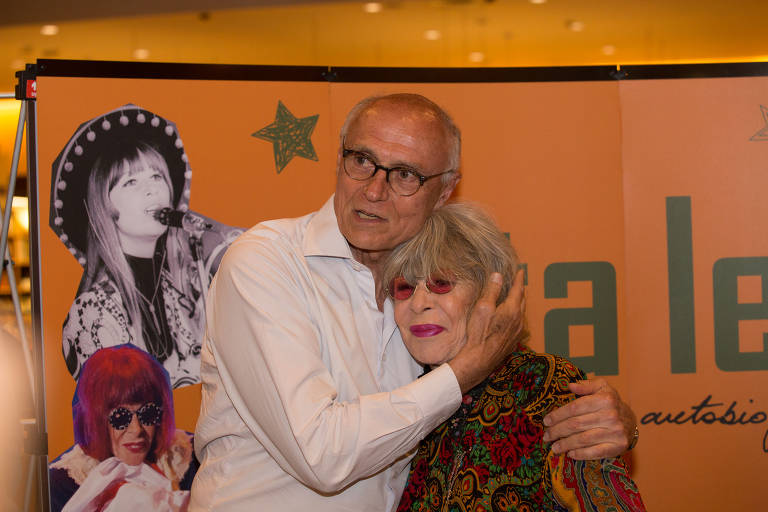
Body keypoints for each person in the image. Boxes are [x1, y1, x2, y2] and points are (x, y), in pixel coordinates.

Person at [191, 93, 637, 511]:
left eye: (405, 174)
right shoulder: (268, 260)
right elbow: (320, 456)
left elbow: (569, 427)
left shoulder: (438, 315)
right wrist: (463, 373)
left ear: (444, 191)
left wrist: (618, 422)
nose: (374, 190)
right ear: (341, 158)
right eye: (362, 160)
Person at [384, 202, 645, 512]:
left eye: (441, 283)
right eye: (404, 288)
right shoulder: (403, 401)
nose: (419, 303)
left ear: (491, 292)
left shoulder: (547, 387)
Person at [50, 105, 242, 388]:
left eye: (156, 176)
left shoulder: (189, 283)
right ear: (105, 207)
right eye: (131, 182)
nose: (152, 190)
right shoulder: (91, 312)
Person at [48, 344, 197, 512]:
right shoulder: (61, 484)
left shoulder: (188, 457)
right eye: (121, 417)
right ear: (96, 419)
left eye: (148, 413)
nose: (136, 429)